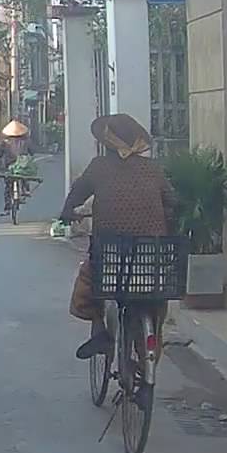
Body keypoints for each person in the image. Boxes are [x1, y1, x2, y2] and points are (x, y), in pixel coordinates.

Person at [59, 114, 176, 360]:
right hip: (152, 255)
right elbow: (172, 202)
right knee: (155, 301)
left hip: (111, 254)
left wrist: (67, 212)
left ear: (108, 141)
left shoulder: (99, 166)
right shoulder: (152, 168)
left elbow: (78, 192)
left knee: (90, 278)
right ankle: (148, 359)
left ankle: (99, 328)